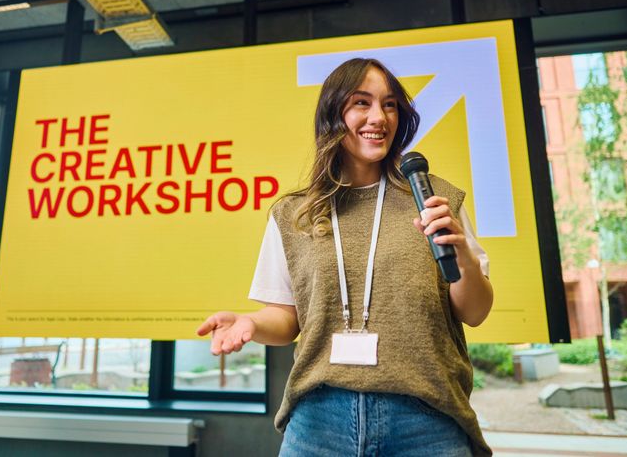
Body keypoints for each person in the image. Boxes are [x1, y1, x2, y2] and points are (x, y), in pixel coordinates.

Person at [197, 58, 493, 456]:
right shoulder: (294, 214)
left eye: (389, 105)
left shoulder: (434, 198)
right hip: (320, 422)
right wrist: (249, 321)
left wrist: (461, 254)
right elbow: (285, 319)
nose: (379, 117)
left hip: (425, 419)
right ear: (333, 115)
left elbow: (475, 311)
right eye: (361, 103)